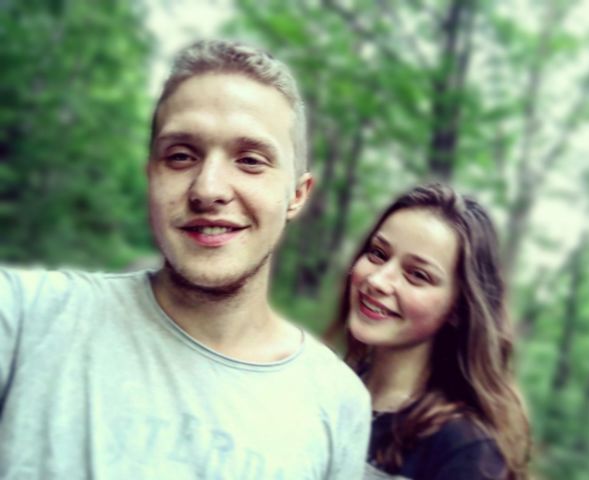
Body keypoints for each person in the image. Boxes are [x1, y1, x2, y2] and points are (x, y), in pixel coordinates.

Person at [0, 39, 371, 479]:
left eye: (250, 160)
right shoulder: (29, 317)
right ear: (151, 176)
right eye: (180, 157)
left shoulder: (337, 401)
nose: (207, 189)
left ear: (297, 194)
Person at [327, 183, 530, 479]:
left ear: (458, 308)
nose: (378, 280)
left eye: (417, 275)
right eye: (378, 253)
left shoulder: (465, 449)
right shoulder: (326, 390)